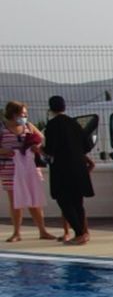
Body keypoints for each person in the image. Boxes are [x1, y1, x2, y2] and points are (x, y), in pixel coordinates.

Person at [43, 96, 95, 246]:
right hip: (78, 167)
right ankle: (84, 232)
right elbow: (87, 145)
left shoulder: (52, 125)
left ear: (51, 109)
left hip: (62, 168)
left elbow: (50, 149)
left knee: (64, 201)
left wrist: (40, 149)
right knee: (78, 201)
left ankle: (79, 233)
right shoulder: (75, 123)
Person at [3, 101, 52, 242]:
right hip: (10, 169)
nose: (25, 116)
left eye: (25, 114)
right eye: (22, 114)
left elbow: (41, 139)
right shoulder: (2, 128)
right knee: (15, 201)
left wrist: (35, 146)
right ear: (13, 114)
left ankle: (42, 231)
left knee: (35, 199)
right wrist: (5, 151)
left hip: (30, 167)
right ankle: (16, 232)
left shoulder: (28, 126)